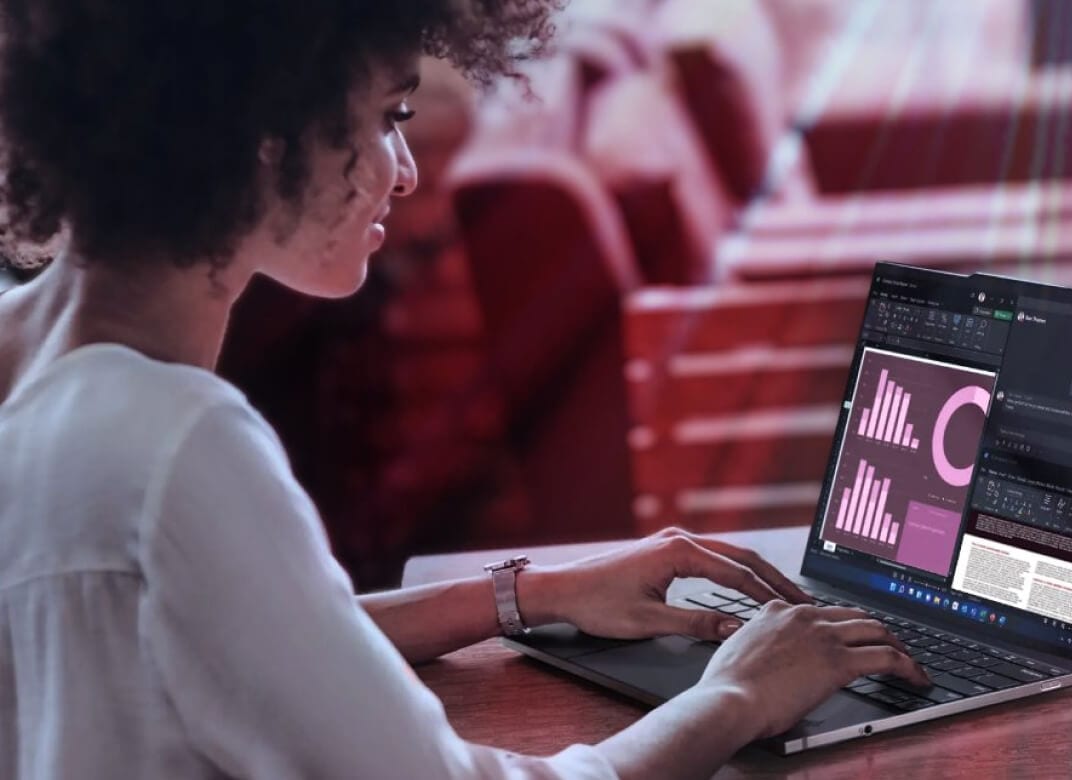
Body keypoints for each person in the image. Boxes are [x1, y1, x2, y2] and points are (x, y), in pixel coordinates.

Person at [0, 2, 929, 779]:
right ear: (264, 136)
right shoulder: (179, 445)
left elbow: (247, 632)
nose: (402, 171)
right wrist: (738, 694)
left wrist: (527, 594)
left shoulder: (29, 360)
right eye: (388, 118)